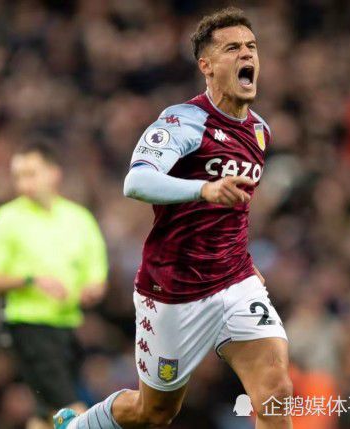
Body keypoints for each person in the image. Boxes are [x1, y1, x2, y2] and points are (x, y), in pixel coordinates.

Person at [55, 7, 292, 429]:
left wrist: (244, 259)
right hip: (173, 289)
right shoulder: (184, 121)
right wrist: (201, 188)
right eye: (233, 48)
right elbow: (137, 181)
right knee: (156, 412)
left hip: (234, 281)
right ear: (207, 65)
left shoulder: (260, 131)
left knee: (276, 393)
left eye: (252, 47)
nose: (247, 55)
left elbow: (233, 209)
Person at [0, 141, 109, 429]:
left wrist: (92, 290)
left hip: (66, 328)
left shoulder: (78, 219)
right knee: (73, 412)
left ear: (53, 173)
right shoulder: (6, 219)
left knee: (45, 415)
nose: (23, 183)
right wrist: (30, 280)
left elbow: (97, 276)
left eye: (31, 173)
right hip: (29, 327)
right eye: (18, 176)